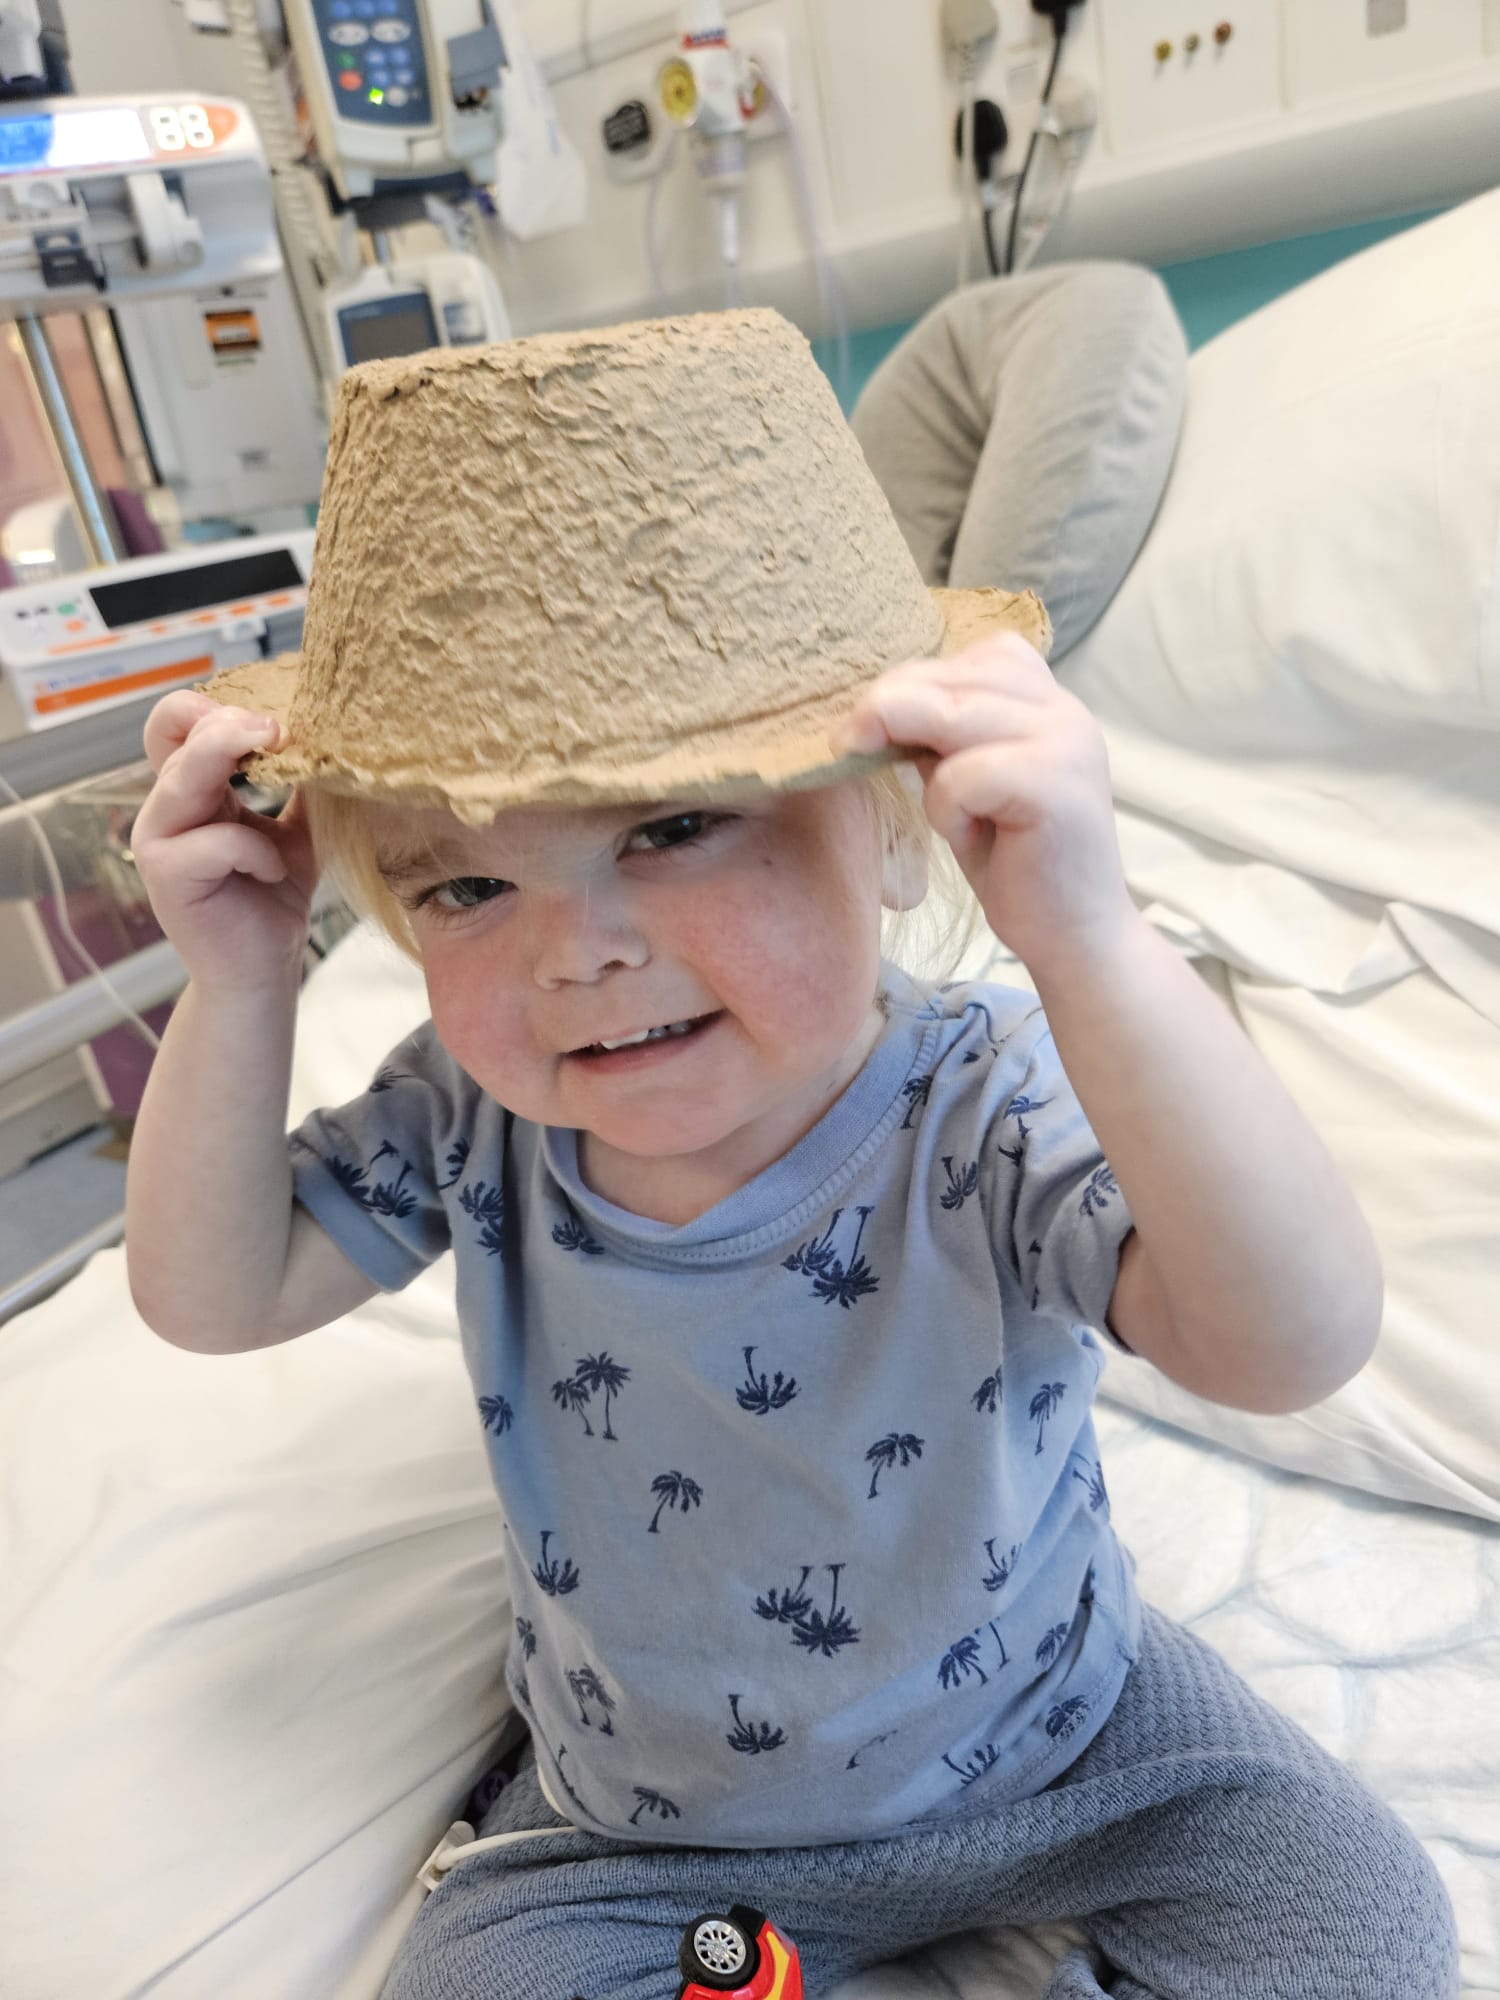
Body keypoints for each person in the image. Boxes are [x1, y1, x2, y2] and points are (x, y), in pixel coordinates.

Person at [124, 311, 1456, 2000]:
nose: (578, 953)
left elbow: (1290, 1342)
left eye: (674, 829)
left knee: (1357, 1922)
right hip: (668, 1850)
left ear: (900, 834)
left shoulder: (982, 1098)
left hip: (1081, 1757)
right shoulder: (474, 1119)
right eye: (465, 886)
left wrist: (1096, 944)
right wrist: (237, 980)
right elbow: (209, 1293)